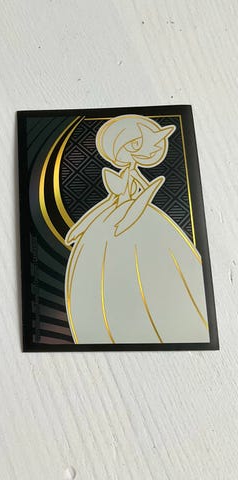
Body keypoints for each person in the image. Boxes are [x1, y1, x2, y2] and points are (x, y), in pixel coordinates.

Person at [64, 115, 209, 344]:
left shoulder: (132, 173)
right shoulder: (124, 172)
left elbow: (143, 191)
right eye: (136, 145)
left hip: (136, 216)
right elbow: (114, 198)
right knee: (105, 267)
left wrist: (146, 194)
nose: (147, 152)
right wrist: (84, 224)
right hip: (115, 218)